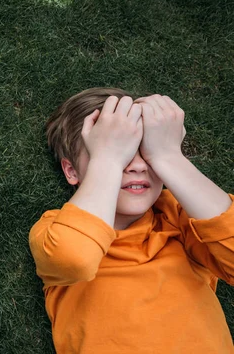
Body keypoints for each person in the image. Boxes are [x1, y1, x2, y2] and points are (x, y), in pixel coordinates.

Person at [29, 87, 234, 353]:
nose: (136, 165)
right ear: (71, 170)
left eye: (144, 150)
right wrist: (109, 160)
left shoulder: (179, 217)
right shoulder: (56, 227)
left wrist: (169, 157)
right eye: (121, 152)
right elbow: (74, 258)